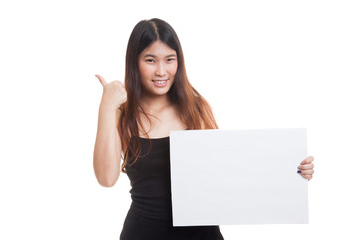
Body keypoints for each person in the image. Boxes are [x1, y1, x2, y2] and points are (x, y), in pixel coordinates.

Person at [93, 18, 315, 240]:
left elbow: (229, 170)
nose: (161, 71)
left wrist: (293, 171)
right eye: (150, 60)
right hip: (144, 233)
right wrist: (107, 107)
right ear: (135, 62)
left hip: (201, 234)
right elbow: (106, 178)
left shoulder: (193, 107)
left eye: (170, 59)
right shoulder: (121, 112)